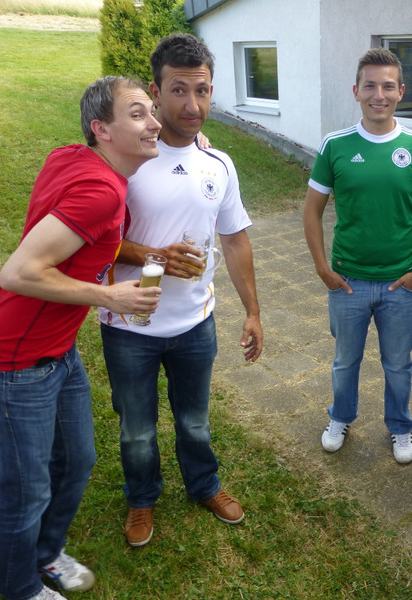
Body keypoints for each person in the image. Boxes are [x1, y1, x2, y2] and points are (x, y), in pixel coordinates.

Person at [0, 76, 162, 600]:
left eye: (152, 112)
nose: (154, 123)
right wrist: (109, 297)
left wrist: (197, 141)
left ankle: (46, 553)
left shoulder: (77, 158)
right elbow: (18, 273)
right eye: (138, 114)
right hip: (13, 367)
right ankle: (19, 588)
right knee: (27, 491)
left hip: (59, 355)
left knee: (76, 462)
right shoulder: (100, 191)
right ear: (102, 130)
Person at [99, 33, 263, 548]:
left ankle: (204, 485)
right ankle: (141, 497)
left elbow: (234, 240)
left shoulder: (219, 164)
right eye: (178, 90)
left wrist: (253, 312)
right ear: (156, 91)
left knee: (194, 421)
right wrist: (153, 256)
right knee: (137, 428)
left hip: (196, 322)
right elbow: (92, 243)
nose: (192, 105)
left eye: (202, 90)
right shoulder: (122, 162)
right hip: (130, 325)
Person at [303, 47, 412, 464]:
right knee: (345, 361)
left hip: (400, 284)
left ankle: (400, 426)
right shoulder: (336, 145)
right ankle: (340, 417)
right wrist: (322, 268)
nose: (378, 95)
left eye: (387, 86)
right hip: (347, 282)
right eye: (369, 86)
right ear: (356, 91)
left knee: (398, 364)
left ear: (401, 91)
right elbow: (311, 211)